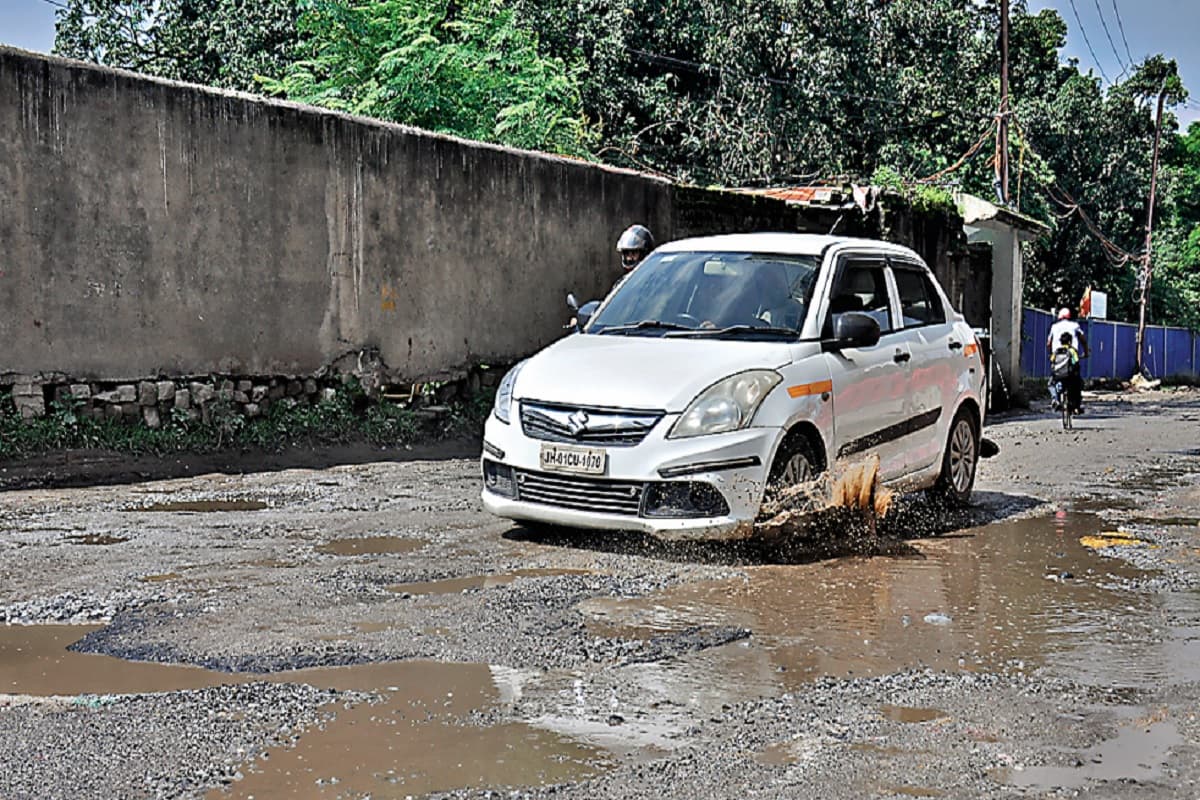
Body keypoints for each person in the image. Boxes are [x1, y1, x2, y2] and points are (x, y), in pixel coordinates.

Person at [1050, 331, 1082, 413]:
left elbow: (1052, 361)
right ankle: (1076, 406)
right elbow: (1076, 362)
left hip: (1058, 376)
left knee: (1051, 384)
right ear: (1070, 341)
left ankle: (1055, 400)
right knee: (1078, 385)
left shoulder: (1057, 351)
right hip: (1069, 377)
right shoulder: (1072, 351)